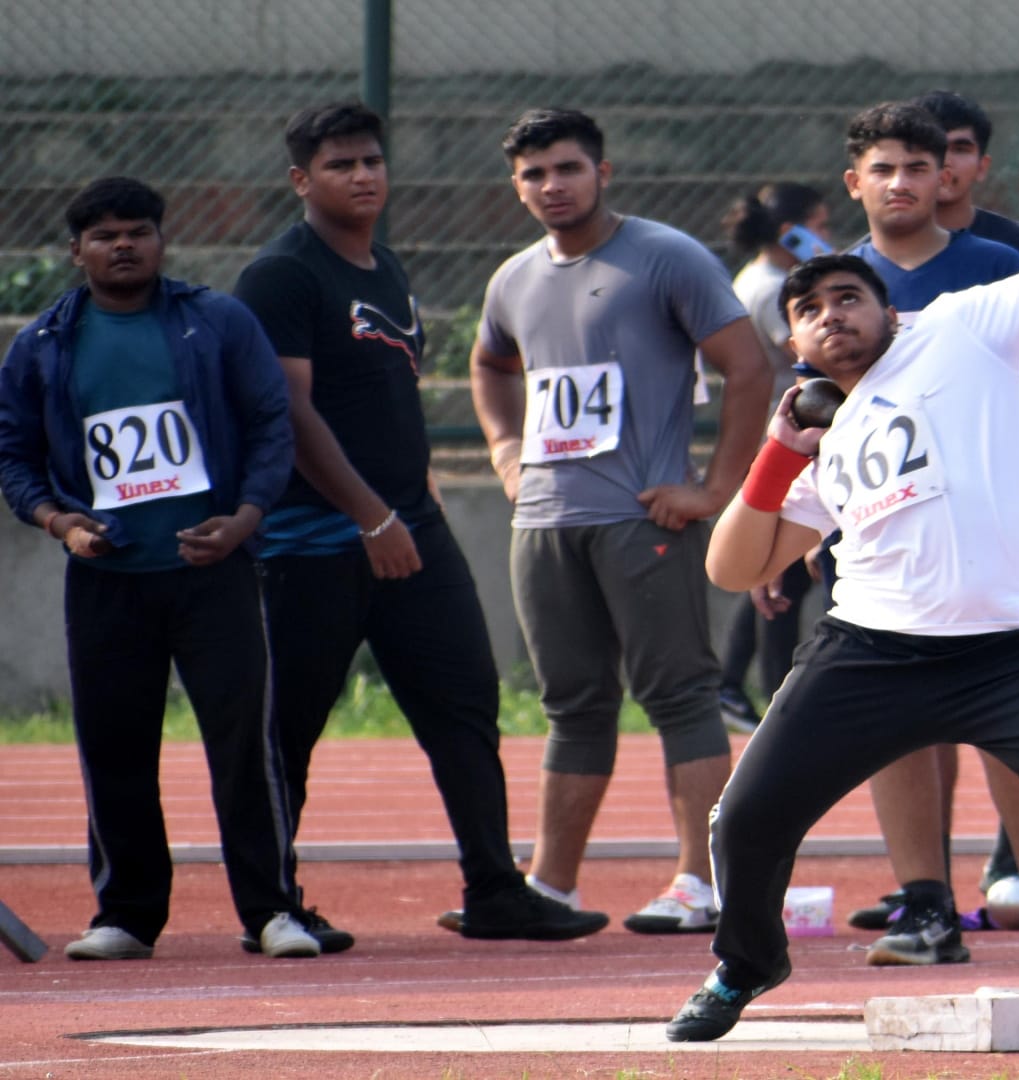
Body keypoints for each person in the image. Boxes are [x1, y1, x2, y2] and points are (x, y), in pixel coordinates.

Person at [665, 93, 1019, 1044]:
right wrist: (778, 457)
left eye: (848, 297)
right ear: (793, 344)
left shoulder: (965, 328)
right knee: (748, 819)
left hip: (1017, 653)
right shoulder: (822, 440)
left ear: (887, 308)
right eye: (808, 311)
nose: (830, 317)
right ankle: (746, 961)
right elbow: (734, 569)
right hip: (872, 656)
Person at [233, 102, 608, 943]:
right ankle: (272, 905)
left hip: (412, 528)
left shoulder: (383, 264)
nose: (363, 176)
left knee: (465, 704)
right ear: (302, 180)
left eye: (371, 161)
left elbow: (383, 402)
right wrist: (371, 517)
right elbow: (290, 414)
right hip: (316, 541)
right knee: (287, 727)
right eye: (340, 166)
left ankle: (494, 889)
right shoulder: (282, 276)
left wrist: (416, 502)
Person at [0, 177, 324, 960]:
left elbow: (269, 425)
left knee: (244, 741)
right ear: (75, 250)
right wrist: (58, 521)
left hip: (213, 570)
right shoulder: (44, 345)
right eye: (105, 234)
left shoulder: (214, 323)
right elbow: (14, 454)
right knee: (114, 743)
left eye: (139, 231)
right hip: (108, 577)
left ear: (161, 240)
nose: (124, 245)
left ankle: (273, 909)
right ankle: (127, 914)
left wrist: (245, 519)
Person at [469, 108, 772, 934]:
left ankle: (698, 883)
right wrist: (504, 453)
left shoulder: (665, 257)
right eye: (534, 174)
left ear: (604, 172)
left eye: (567, 168)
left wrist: (714, 489)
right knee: (572, 702)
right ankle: (553, 886)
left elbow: (748, 369)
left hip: (642, 517)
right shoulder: (514, 278)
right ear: (516, 186)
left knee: (679, 691)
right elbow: (491, 362)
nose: (551, 186)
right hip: (544, 520)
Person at [828, 101, 1019, 967]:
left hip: (994, 541)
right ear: (856, 182)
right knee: (896, 725)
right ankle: (924, 909)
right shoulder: (841, 284)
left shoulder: (995, 266)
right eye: (886, 169)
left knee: (1009, 717)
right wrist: (803, 536)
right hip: (887, 542)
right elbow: (824, 416)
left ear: (948, 174)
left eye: (921, 165)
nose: (905, 182)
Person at [713, 183, 834, 732]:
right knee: (780, 579)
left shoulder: (765, 281)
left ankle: (729, 682)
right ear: (793, 232)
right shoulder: (770, 289)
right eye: (819, 225)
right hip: (791, 439)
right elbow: (811, 351)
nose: (826, 236)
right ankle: (775, 698)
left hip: (795, 436)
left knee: (779, 572)